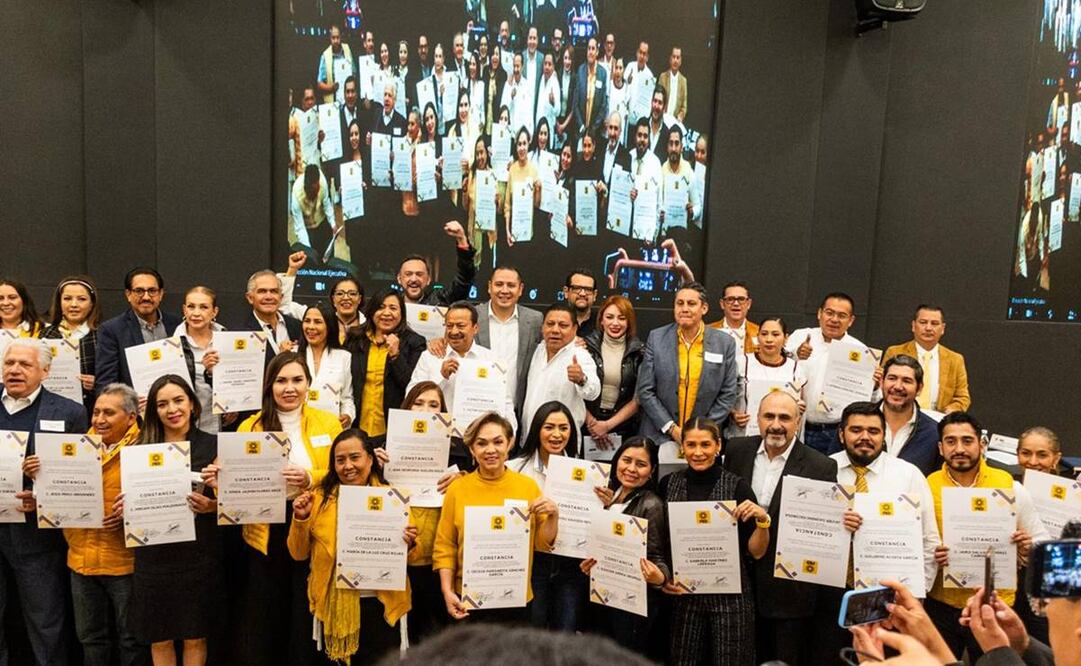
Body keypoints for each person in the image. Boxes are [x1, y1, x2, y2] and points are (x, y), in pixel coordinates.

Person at [206, 352, 343, 665]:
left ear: (309, 383)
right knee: (268, 610)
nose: (289, 388)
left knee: (306, 608)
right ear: (269, 385)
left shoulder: (328, 422)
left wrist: (311, 477)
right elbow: (234, 482)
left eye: (297, 380)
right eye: (281, 381)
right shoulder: (249, 427)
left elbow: (344, 472)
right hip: (266, 531)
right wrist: (219, 481)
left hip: (314, 528)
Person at [814, 401, 940, 662]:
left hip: (888, 598)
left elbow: (929, 541)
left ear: (883, 436)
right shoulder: (821, 469)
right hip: (830, 594)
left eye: (873, 431)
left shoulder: (908, 475)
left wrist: (915, 593)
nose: (864, 438)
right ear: (841, 434)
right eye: (856, 430)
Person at [924, 411, 1050, 660]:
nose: (959, 448)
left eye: (967, 441)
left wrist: (1027, 548)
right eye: (951, 441)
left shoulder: (1010, 487)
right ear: (940, 447)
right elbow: (916, 545)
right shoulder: (927, 486)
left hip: (994, 607)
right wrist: (931, 555)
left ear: (982, 445)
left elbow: (1042, 542)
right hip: (941, 606)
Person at [724, 390, 837, 665]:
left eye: (785, 417)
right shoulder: (737, 451)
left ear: (798, 421)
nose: (776, 424)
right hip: (738, 584)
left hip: (787, 590)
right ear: (758, 420)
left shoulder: (821, 466)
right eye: (769, 416)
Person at [287, 429, 415, 663]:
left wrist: (409, 542)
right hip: (332, 608)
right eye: (340, 460)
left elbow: (410, 553)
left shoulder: (394, 499)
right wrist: (301, 518)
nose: (348, 466)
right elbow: (298, 554)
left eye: (354, 457)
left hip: (381, 606)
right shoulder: (318, 499)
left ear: (370, 459)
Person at [1, 338, 87, 665]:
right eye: (10, 363)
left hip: (36, 534)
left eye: (25, 364)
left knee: (45, 619)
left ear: (46, 371)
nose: (15, 370)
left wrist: (44, 498)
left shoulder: (70, 412)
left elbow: (80, 477)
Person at [659, 417, 771, 666]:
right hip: (684, 596)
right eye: (691, 445)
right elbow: (660, 541)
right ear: (682, 447)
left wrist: (763, 520)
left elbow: (757, 552)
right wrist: (664, 577)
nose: (698, 452)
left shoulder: (738, 487)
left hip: (731, 598)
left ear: (718, 445)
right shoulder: (668, 484)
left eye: (705, 445)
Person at [125, 374, 221, 666]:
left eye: (178, 400)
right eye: (162, 404)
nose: (172, 409)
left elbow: (233, 506)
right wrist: (124, 508)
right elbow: (130, 500)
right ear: (153, 410)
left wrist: (212, 506)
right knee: (160, 636)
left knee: (195, 635)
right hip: (153, 558)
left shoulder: (215, 446)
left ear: (192, 404)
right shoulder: (139, 450)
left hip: (198, 555)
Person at [432, 412, 559, 624]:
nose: (491, 450)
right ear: (472, 449)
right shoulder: (458, 488)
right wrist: (447, 591)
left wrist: (553, 517)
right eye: (481, 443)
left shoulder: (527, 487)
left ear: (509, 444)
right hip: (468, 601)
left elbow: (542, 543)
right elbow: (445, 546)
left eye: (498, 442)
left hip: (515, 599)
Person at [63, 383, 143, 666]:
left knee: (131, 639)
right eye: (96, 412)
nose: (99, 420)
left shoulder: (147, 449)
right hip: (80, 561)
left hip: (125, 562)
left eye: (109, 413)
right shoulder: (72, 451)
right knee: (90, 638)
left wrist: (133, 512)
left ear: (131, 417)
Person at [580, 436, 667, 659]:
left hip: (631, 606)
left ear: (651, 470)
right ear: (616, 460)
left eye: (641, 464)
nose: (631, 469)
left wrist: (660, 578)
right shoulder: (609, 495)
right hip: (602, 598)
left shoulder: (652, 504)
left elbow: (657, 556)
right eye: (626, 460)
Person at [407, 301, 518, 465]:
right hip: (436, 444)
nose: (453, 331)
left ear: (475, 328)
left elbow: (506, 405)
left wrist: (510, 437)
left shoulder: (492, 361)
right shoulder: (430, 357)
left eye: (460, 326)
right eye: (449, 325)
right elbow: (410, 396)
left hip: (480, 448)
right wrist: (441, 378)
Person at [509, 401, 587, 631]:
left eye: (563, 428)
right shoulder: (514, 469)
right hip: (532, 562)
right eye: (549, 427)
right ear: (536, 430)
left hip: (570, 565)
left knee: (565, 632)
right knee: (533, 632)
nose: (557, 434)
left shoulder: (585, 473)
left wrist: (605, 501)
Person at [636, 283, 739, 458]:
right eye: (679, 303)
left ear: (704, 308)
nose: (684, 309)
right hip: (659, 435)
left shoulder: (724, 343)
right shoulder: (657, 338)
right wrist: (671, 428)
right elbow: (645, 390)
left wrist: (700, 432)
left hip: (703, 441)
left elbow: (728, 393)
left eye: (691, 304)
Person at [785, 292, 869, 455]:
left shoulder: (860, 351)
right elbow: (777, 365)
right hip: (799, 426)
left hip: (836, 431)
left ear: (851, 320)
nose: (834, 319)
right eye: (829, 313)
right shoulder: (801, 337)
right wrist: (795, 354)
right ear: (819, 313)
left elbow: (867, 399)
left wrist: (874, 385)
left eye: (842, 315)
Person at [346, 288, 426, 438]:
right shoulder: (355, 338)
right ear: (371, 311)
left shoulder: (415, 342)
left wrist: (396, 355)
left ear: (401, 314)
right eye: (381, 307)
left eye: (393, 308)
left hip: (393, 430)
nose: (387, 313)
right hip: (356, 426)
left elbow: (412, 387)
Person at [519, 303, 600, 441]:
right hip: (529, 439)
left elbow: (593, 392)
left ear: (574, 329)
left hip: (561, 442)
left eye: (563, 325)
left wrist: (581, 379)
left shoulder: (580, 355)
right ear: (542, 327)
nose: (555, 330)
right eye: (550, 324)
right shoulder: (537, 350)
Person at [96, 267, 182, 390]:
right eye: (139, 291)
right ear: (128, 295)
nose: (146, 297)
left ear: (161, 294)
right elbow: (106, 383)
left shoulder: (178, 325)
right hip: (134, 406)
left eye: (152, 291)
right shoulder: (111, 330)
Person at [475, 266, 543, 409]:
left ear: (520, 289)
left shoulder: (535, 320)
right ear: (489, 287)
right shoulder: (473, 316)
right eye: (499, 284)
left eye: (511, 285)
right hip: (477, 405)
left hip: (517, 409)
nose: (504, 290)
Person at [725, 317, 805, 440]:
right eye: (764, 334)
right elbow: (723, 394)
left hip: (779, 436)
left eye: (775, 334)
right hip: (743, 435)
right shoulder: (741, 362)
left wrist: (798, 407)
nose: (769, 339)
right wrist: (733, 413)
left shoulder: (795, 368)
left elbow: (800, 402)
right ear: (758, 337)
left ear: (786, 338)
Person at [882, 304, 971, 413]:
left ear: (942, 329)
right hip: (900, 414)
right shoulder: (895, 352)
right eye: (923, 322)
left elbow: (962, 397)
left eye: (934, 323)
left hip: (938, 421)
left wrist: (951, 411)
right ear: (913, 326)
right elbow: (883, 387)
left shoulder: (955, 359)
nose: (928, 328)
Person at [584, 295, 642, 444]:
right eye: (609, 317)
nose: (615, 323)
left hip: (623, 428)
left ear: (629, 322)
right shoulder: (585, 347)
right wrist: (592, 424)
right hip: (586, 424)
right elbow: (573, 391)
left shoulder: (639, 353)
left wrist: (607, 426)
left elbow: (639, 397)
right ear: (601, 321)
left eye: (622, 318)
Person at [41, 275, 101, 412]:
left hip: (91, 408)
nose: (74, 304)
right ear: (59, 302)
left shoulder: (102, 335)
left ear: (92, 303)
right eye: (67, 299)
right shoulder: (46, 334)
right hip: (51, 408)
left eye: (82, 299)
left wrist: (96, 383)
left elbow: (115, 376)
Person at [878, 354, 943, 475]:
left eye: (907, 381)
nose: (897, 386)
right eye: (892, 378)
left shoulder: (934, 433)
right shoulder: (857, 423)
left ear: (919, 389)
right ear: (882, 382)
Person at [174, 286, 224, 434]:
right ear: (184, 310)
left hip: (221, 425)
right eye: (191, 307)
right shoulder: (172, 345)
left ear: (214, 312)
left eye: (203, 307)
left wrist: (234, 407)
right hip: (185, 427)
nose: (196, 313)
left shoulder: (227, 338)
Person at [298, 305, 355, 429]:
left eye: (318, 322)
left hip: (331, 427)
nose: (311, 327)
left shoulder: (344, 357)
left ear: (329, 326)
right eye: (307, 321)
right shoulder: (291, 355)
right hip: (299, 427)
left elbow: (347, 398)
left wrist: (348, 415)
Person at [395, 220, 477, 306]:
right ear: (399, 279)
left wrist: (461, 239)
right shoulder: (390, 304)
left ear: (428, 279)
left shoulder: (440, 300)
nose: (414, 279)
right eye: (408, 274)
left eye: (419, 274)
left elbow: (464, 280)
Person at [239, 269, 303, 359]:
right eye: (262, 291)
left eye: (274, 291)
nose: (269, 297)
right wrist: (281, 357)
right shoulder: (240, 332)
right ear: (250, 298)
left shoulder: (298, 326)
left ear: (281, 297)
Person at [462, 136, 498, 270]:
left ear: (487, 153)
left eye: (481, 152)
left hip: (488, 233)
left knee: (487, 271)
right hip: (474, 232)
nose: (479, 157)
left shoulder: (493, 174)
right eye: (477, 153)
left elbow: (499, 209)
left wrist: (496, 201)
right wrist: (464, 190)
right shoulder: (471, 174)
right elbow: (465, 206)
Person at [658, 125, 700, 233]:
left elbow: (698, 206)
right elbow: (657, 204)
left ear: (681, 146)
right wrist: (659, 213)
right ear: (667, 146)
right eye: (670, 143)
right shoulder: (661, 170)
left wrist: (692, 212)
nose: (673, 148)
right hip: (664, 233)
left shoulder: (689, 171)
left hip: (682, 234)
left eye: (676, 143)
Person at [504, 126, 541, 247]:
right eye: (519, 144)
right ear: (516, 147)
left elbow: (536, 204)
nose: (522, 148)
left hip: (528, 233)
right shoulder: (512, 170)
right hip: (514, 234)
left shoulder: (534, 170)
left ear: (529, 144)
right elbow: (507, 205)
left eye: (524, 143)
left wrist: (538, 190)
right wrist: (507, 231)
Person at [290, 164, 335, 255]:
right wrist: (309, 252)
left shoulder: (322, 181)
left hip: (323, 223)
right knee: (314, 259)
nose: (316, 195)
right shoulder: (296, 196)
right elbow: (300, 228)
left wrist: (333, 224)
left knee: (329, 257)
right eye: (313, 193)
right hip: (308, 230)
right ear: (307, 189)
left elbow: (326, 204)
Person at [571, 37, 607, 143]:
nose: (590, 52)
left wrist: (593, 129)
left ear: (597, 52)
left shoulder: (602, 73)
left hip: (595, 132)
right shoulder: (580, 71)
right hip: (580, 130)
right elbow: (575, 103)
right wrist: (582, 126)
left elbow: (603, 105)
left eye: (593, 49)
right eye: (589, 48)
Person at [708, 281, 759, 353]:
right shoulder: (707, 332)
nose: (736, 303)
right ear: (722, 304)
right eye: (730, 299)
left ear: (749, 304)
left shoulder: (759, 333)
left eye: (741, 299)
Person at [316, 24, 355, 104]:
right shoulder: (325, 56)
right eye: (333, 38)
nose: (336, 41)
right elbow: (319, 84)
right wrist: (331, 87)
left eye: (338, 37)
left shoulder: (347, 49)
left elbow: (354, 72)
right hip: (332, 101)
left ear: (341, 37)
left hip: (348, 100)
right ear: (330, 39)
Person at [562, 269, 598, 337]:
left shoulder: (602, 323)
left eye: (588, 289)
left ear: (595, 295)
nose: (582, 293)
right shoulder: (555, 320)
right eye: (577, 288)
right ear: (566, 292)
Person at [657, 47, 687, 124]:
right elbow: (657, 98)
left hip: (675, 122)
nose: (675, 60)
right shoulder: (662, 77)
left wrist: (680, 116)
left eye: (678, 58)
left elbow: (684, 107)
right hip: (662, 119)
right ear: (670, 59)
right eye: (673, 57)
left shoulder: (683, 81)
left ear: (681, 61)